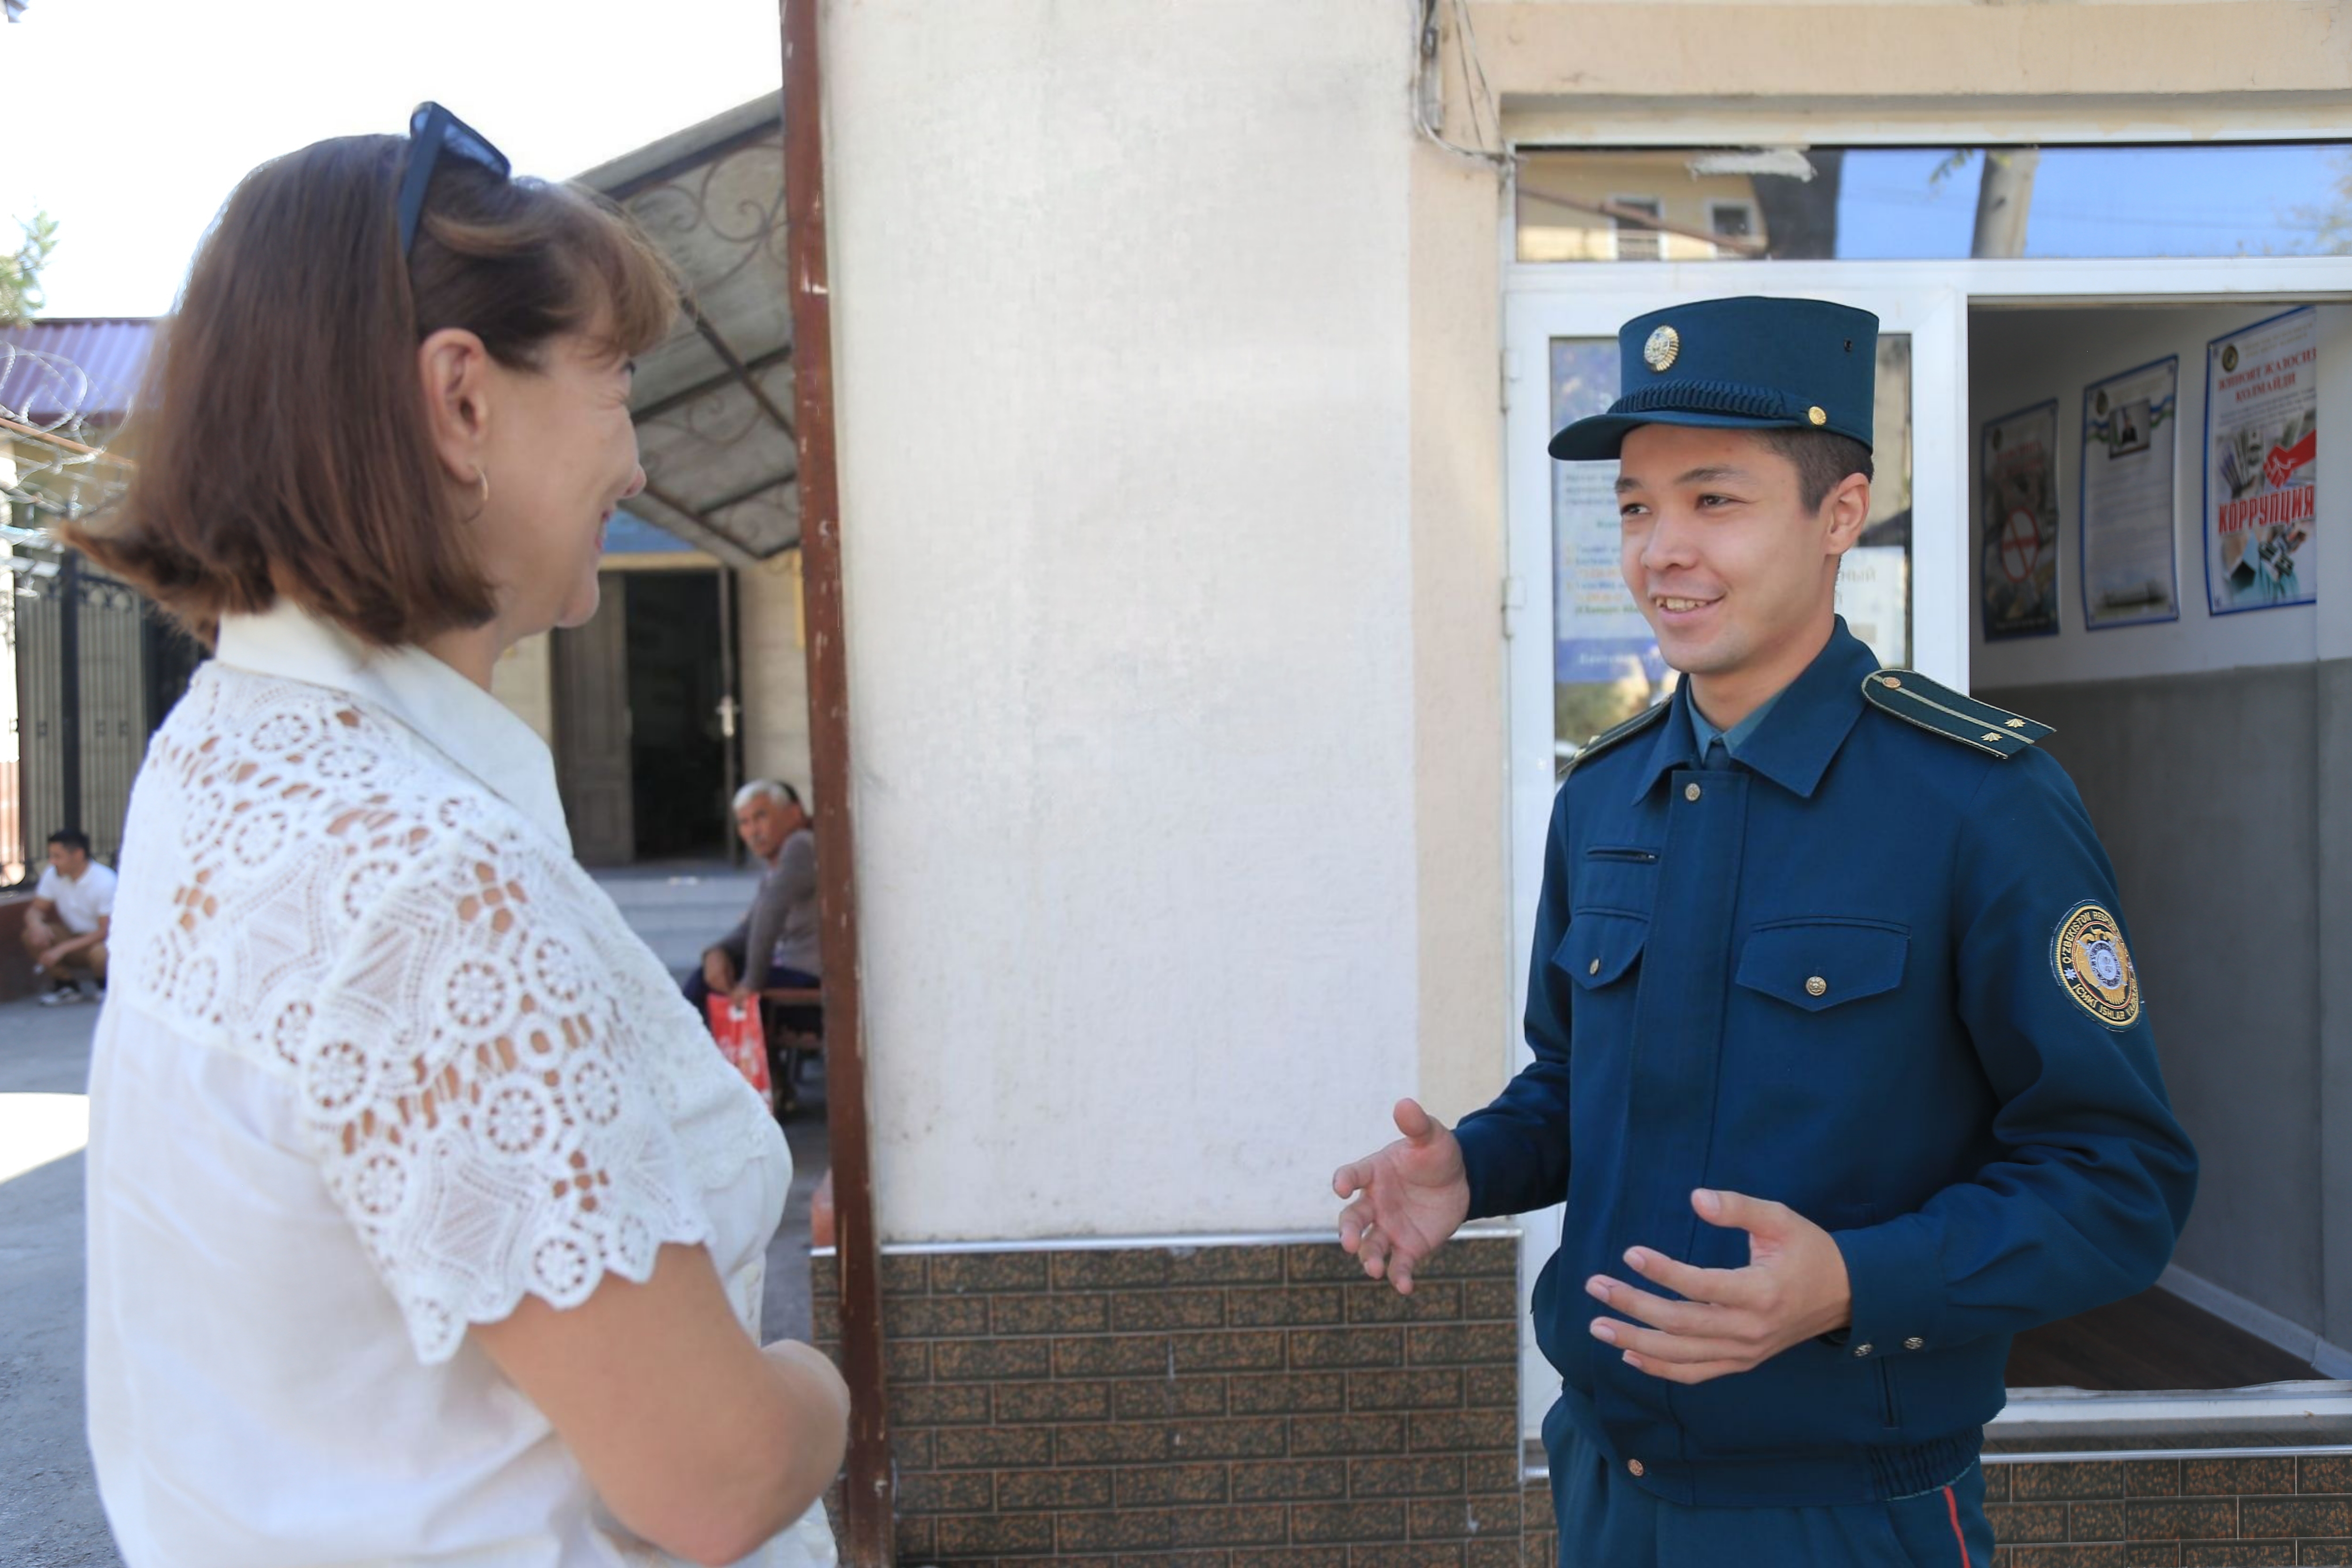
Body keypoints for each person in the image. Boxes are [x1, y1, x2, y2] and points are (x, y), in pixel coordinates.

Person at [67, 103, 847, 1568]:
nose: (634, 462)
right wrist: (824, 1374)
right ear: (462, 401)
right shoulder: (423, 877)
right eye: (615, 382)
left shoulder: (217, 752)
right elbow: (714, 1478)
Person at [1332, 296, 2196, 1567]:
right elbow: (1578, 1081)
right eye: (1636, 507)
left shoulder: (1978, 802)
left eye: (1714, 500)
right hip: (1608, 1486)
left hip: (1844, 1510)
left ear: (1838, 514)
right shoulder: (1606, 796)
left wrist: (1852, 1281)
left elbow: (2118, 1181)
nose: (1661, 550)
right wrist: (1479, 1164)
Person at [22, 828, 116, 1006]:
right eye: (51, 856)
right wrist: (37, 925)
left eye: (57, 856)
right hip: (73, 938)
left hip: (100, 942)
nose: (52, 862)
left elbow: (105, 931)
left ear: (78, 855)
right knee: (32, 935)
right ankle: (66, 987)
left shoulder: (105, 882)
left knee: (100, 953)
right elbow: (35, 910)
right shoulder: (52, 874)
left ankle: (105, 986)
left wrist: (62, 949)